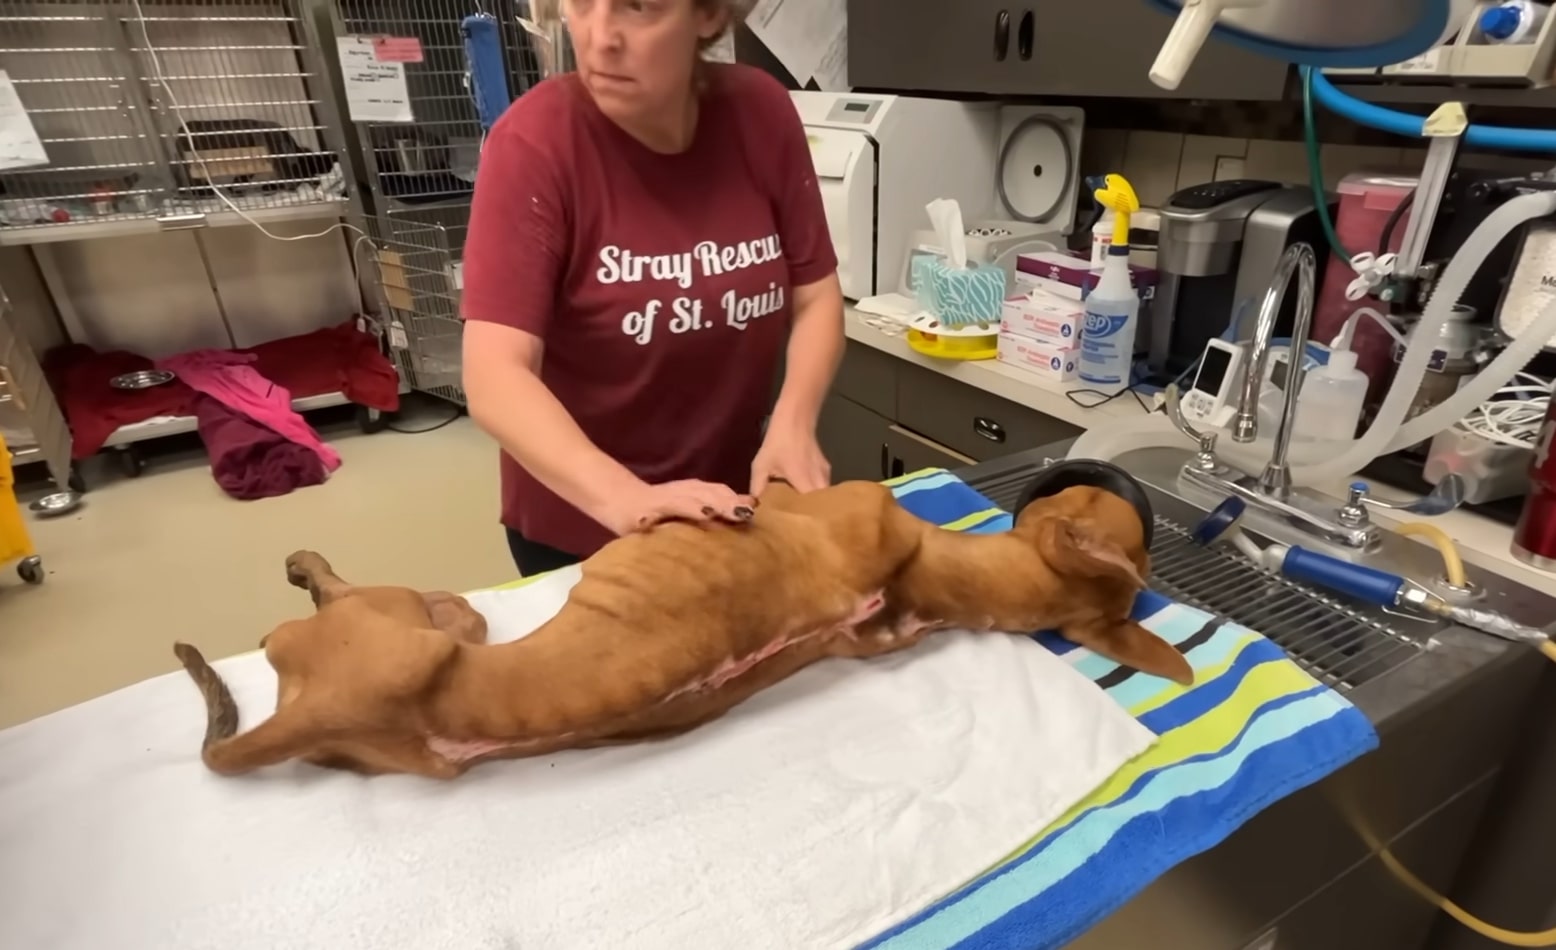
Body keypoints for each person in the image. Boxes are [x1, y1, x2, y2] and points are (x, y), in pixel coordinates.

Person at [460, 0, 844, 576]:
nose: (599, 37)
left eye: (639, 7)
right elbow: (494, 374)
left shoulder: (761, 114)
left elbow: (815, 296)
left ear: (709, 15)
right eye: (582, 3)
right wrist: (627, 499)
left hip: (730, 511)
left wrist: (793, 422)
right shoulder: (534, 145)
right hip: (584, 532)